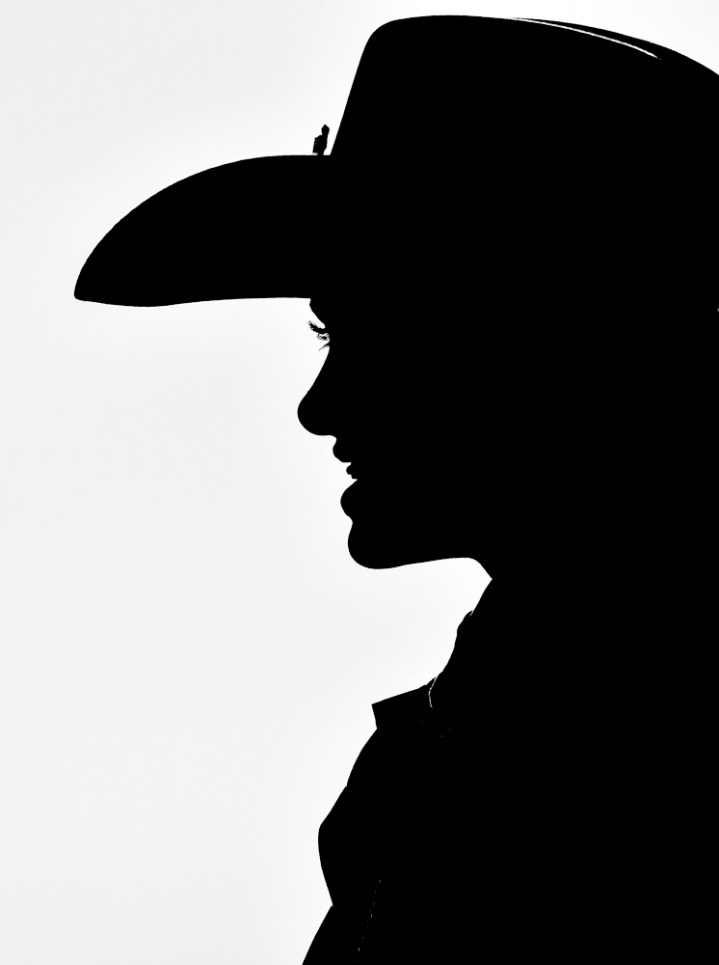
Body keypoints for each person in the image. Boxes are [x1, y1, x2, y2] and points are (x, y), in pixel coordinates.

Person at [75, 16, 716, 962]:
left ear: (556, 338)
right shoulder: (463, 737)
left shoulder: (614, 742)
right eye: (329, 333)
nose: (319, 407)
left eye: (379, 331)